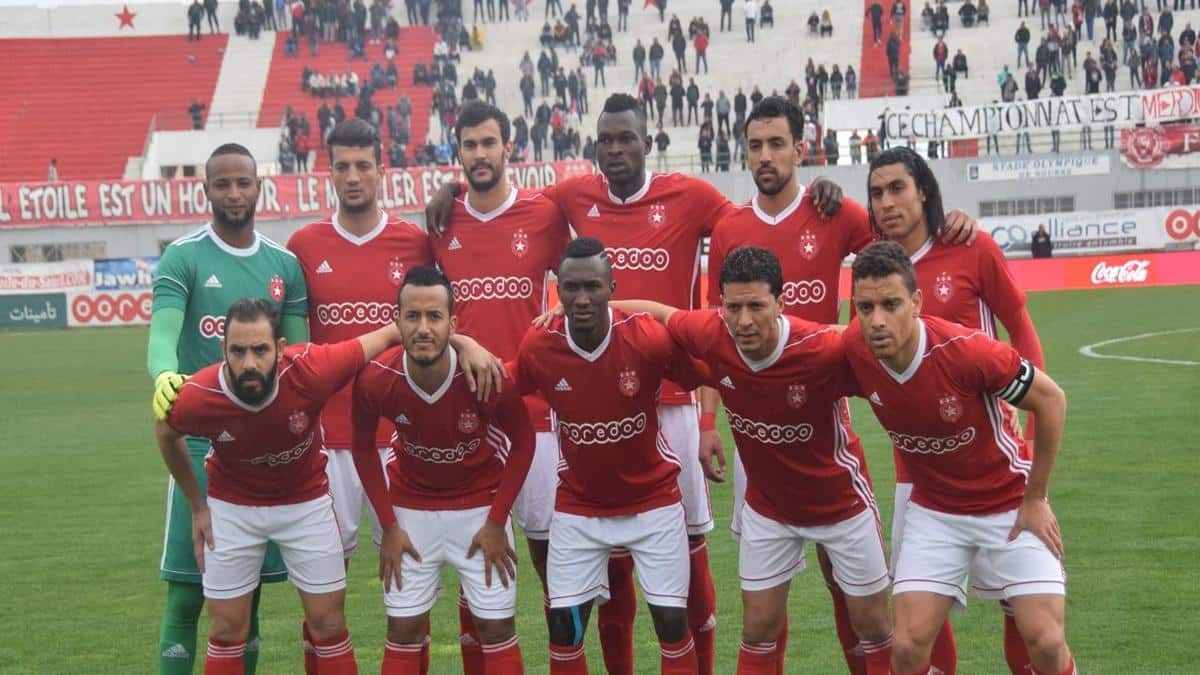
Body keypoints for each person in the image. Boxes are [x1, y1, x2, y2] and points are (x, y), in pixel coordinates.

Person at [428, 93, 842, 675]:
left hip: (669, 397)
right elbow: (501, 204)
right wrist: (454, 194)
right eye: (606, 140)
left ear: (648, 142)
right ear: (595, 146)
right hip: (584, 399)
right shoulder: (569, 198)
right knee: (600, 570)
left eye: (627, 139)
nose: (616, 149)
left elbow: (755, 226)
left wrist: (814, 190)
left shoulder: (693, 197)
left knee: (691, 567)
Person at [704, 98, 977, 675]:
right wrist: (707, 421)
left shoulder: (836, 211)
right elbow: (712, 336)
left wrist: (956, 226)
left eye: (777, 144)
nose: (766, 156)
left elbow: (902, 252)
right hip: (757, 437)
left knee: (852, 594)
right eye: (755, 146)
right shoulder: (729, 226)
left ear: (800, 149)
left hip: (823, 424)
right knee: (761, 613)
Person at [610, 246, 895, 675]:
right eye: (733, 307)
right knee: (758, 628)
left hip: (841, 505)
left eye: (757, 306)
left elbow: (896, 348)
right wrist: (588, 307)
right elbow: (659, 313)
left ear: (781, 304)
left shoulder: (824, 347)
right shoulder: (712, 332)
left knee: (872, 626)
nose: (743, 320)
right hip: (769, 508)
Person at [843, 241, 1076, 675]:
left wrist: (1036, 497)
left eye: (890, 304)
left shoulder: (968, 352)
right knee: (908, 649)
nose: (876, 320)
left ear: (916, 302)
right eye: (865, 306)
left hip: (1009, 504)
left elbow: (1052, 401)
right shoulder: (854, 349)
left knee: (1045, 642)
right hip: (935, 512)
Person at [867, 147, 1048, 674]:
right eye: (876, 194)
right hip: (918, 471)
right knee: (922, 607)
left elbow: (1022, 327)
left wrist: (1031, 430)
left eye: (898, 188)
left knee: (1023, 605)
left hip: (997, 456)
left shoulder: (971, 247)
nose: (887, 203)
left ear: (923, 190)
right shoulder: (876, 268)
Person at [155, 299, 403, 675]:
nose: (249, 363)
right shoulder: (201, 394)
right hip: (232, 507)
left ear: (280, 347)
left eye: (260, 350)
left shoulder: (312, 369)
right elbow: (165, 432)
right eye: (237, 351)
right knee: (225, 631)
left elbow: (390, 333)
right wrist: (197, 504)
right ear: (223, 350)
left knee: (329, 625)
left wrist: (465, 344)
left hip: (306, 503)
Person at [514, 237, 712, 674]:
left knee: (671, 622)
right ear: (557, 290)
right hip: (579, 506)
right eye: (570, 288)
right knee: (565, 629)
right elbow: (503, 392)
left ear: (611, 288)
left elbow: (708, 368)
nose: (581, 299)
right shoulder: (539, 346)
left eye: (592, 287)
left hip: (653, 500)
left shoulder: (646, 338)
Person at [424, 101, 574, 670]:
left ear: (509, 147)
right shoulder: (442, 223)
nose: (480, 154)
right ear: (457, 152)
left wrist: (554, 320)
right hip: (464, 421)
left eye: (490, 143)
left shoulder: (545, 215)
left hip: (535, 415)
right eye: (470, 145)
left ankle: (568, 657)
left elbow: (583, 287)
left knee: (554, 563)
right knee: (473, 567)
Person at [149, 143, 308, 675]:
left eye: (244, 182)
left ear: (259, 187)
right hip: (199, 449)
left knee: (247, 601)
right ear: (207, 191)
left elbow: (299, 360)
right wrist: (165, 379)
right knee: (187, 596)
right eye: (223, 184)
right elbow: (163, 337)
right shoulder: (184, 256)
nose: (234, 193)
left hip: (261, 455)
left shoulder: (284, 265)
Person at [350, 267, 533, 674]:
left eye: (434, 317)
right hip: (411, 512)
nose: (423, 327)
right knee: (403, 629)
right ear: (396, 321)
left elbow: (524, 444)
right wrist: (389, 526)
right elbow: (363, 448)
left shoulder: (485, 373)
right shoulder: (376, 379)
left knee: (495, 626)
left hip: (480, 510)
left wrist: (497, 521)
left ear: (453, 322)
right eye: (412, 316)